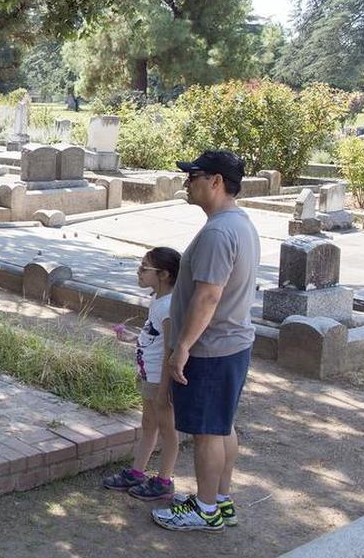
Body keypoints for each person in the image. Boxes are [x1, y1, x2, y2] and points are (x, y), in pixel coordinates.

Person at [151, 150, 260, 533]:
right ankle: (221, 499)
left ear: (216, 181)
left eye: (193, 175)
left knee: (207, 433)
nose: (186, 182)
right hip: (233, 342)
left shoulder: (217, 232)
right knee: (221, 425)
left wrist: (181, 347)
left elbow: (208, 295)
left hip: (211, 348)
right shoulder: (238, 222)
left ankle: (206, 508)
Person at [102, 247, 181, 501]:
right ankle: (137, 472)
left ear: (164, 274)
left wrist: (164, 389)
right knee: (148, 425)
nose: (139, 271)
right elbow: (155, 339)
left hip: (160, 380)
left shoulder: (168, 307)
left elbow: (171, 348)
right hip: (149, 376)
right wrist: (135, 338)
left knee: (168, 430)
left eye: (144, 268)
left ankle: (164, 480)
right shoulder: (157, 301)